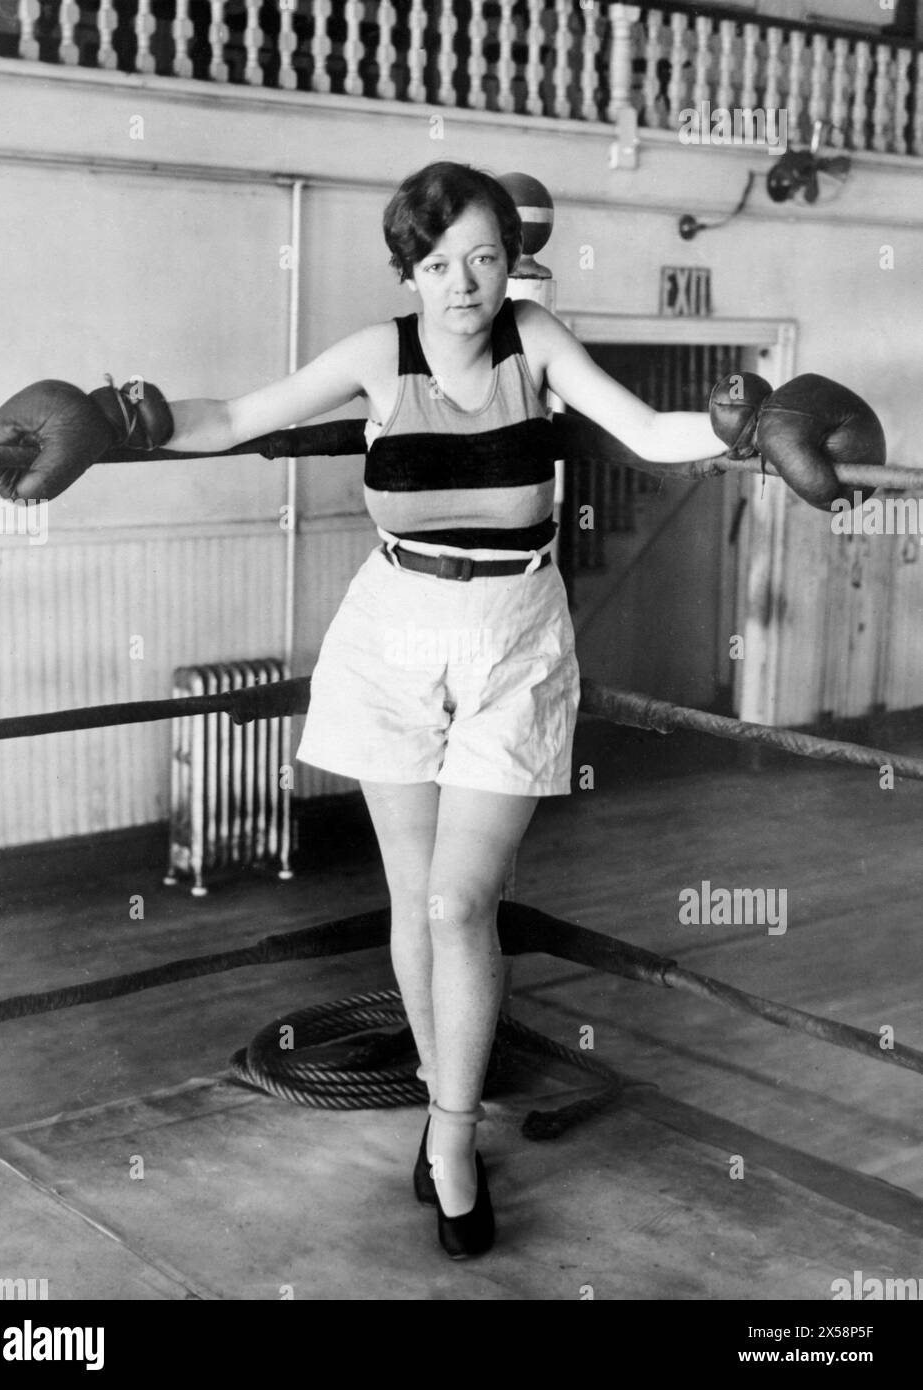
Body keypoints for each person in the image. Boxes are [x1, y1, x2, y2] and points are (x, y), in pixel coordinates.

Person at [164, 160, 732, 1259]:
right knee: (417, 898)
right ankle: (440, 1107)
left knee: (464, 903)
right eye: (438, 263)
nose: (463, 282)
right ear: (409, 271)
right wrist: (114, 419)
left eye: (483, 257)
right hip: (392, 633)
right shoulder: (379, 353)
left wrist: (747, 427)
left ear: (509, 261)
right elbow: (238, 414)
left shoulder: (538, 337)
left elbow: (654, 433)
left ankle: (456, 1136)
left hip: (514, 637)